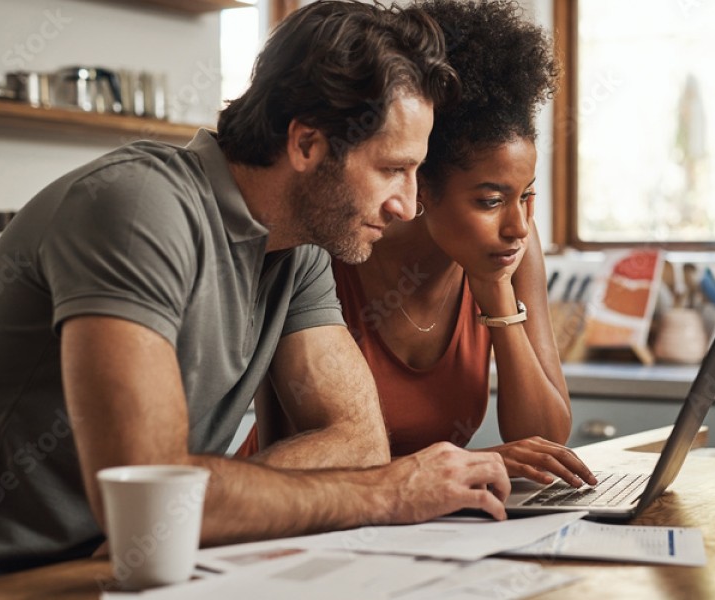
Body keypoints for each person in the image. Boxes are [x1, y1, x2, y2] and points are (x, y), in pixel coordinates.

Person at [0, 2, 511, 592]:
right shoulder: (138, 207)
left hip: (142, 569)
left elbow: (356, 441)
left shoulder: (300, 250)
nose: (406, 204)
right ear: (306, 145)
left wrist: (187, 507)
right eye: (391, 169)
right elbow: (147, 493)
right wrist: (385, 492)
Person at [237, 0, 597, 489]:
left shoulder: (510, 249)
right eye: (490, 200)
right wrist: (473, 464)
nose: (518, 225)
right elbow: (305, 445)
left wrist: (494, 295)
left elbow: (546, 439)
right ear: (422, 185)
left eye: (527, 195)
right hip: (298, 506)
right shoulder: (333, 242)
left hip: (421, 517)